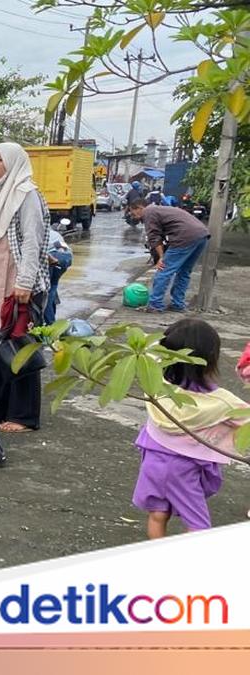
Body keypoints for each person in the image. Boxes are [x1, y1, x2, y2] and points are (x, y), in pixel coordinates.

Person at [132, 318, 249, 538]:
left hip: (153, 460)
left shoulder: (155, 383)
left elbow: (147, 353)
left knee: (158, 514)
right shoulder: (223, 402)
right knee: (198, 525)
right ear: (211, 358)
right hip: (184, 469)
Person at [0, 142, 51, 433]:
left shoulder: (25, 194)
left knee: (20, 348)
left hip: (17, 285)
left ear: (13, 163)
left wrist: (25, 282)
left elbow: (33, 239)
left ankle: (24, 415)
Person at [127, 199, 211, 313]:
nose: (134, 217)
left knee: (164, 270)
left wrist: (161, 257)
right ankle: (178, 304)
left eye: (133, 213)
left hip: (184, 236)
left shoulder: (149, 212)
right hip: (202, 235)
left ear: (140, 208)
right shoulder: (160, 209)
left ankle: (155, 305)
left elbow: (154, 237)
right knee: (184, 271)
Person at [44, 229, 73, 324]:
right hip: (66, 257)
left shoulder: (36, 232)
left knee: (45, 293)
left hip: (52, 257)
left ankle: (50, 325)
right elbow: (64, 247)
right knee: (52, 287)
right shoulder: (55, 233)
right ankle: (52, 320)